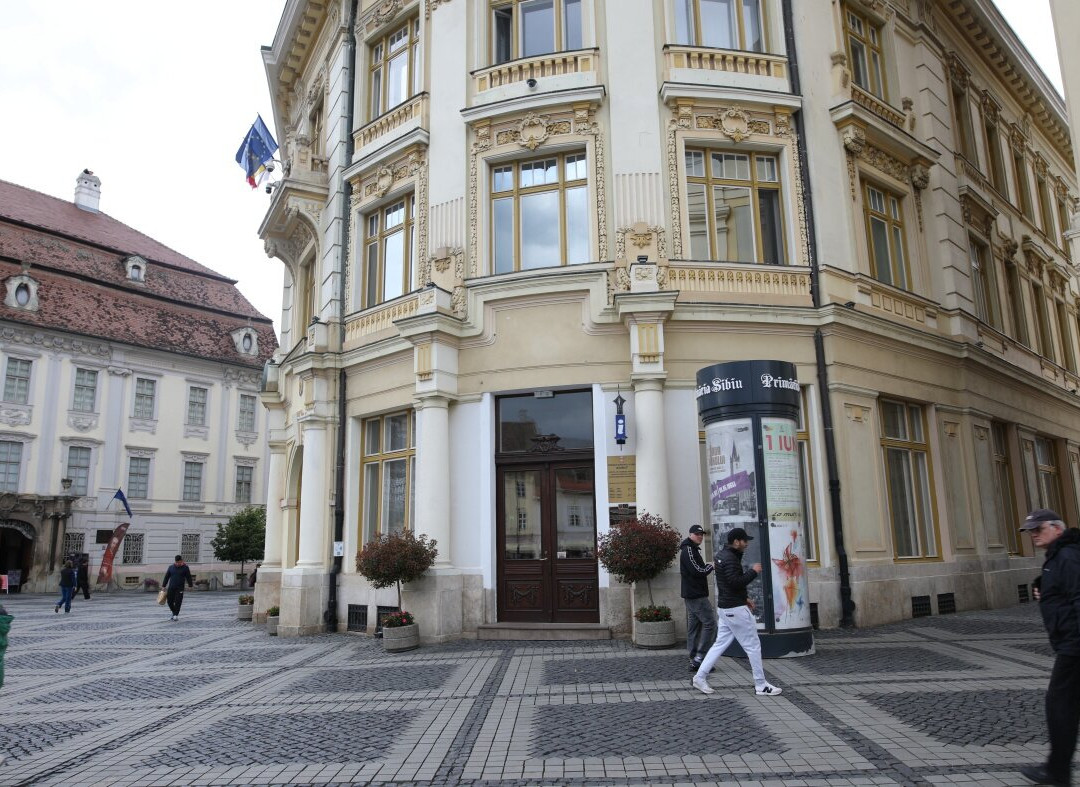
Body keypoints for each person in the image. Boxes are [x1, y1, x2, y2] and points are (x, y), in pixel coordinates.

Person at [1018, 508, 1080, 787]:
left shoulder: (1067, 555)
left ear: (1057, 528)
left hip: (1074, 645)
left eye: (1038, 529)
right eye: (1030, 531)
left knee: (1059, 705)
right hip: (1070, 642)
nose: (1033, 534)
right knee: (1063, 705)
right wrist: (1044, 586)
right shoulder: (1059, 555)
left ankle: (1057, 771)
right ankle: (1058, 770)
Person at [692, 527, 782, 696]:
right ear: (736, 542)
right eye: (744, 541)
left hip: (726, 608)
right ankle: (761, 685)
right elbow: (735, 582)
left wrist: (744, 598)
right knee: (753, 646)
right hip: (735, 609)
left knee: (719, 644)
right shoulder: (731, 559)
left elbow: (727, 584)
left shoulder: (722, 555)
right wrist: (753, 571)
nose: (747, 544)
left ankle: (700, 677)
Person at [680, 524, 716, 671]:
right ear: (690, 535)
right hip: (696, 595)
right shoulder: (688, 550)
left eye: (702, 534)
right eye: (697, 534)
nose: (700, 536)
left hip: (693, 594)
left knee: (694, 626)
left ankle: (695, 658)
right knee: (710, 624)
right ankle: (700, 658)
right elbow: (697, 571)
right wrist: (711, 566)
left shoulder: (692, 549)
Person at [161, 554, 194, 622]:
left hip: (180, 588)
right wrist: (163, 586)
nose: (178, 563)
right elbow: (166, 577)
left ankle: (175, 615)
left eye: (179, 562)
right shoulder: (171, 567)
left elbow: (188, 577)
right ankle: (174, 612)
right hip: (171, 587)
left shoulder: (185, 568)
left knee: (178, 601)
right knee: (169, 601)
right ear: (175, 561)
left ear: (181, 561)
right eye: (177, 562)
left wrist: (190, 585)